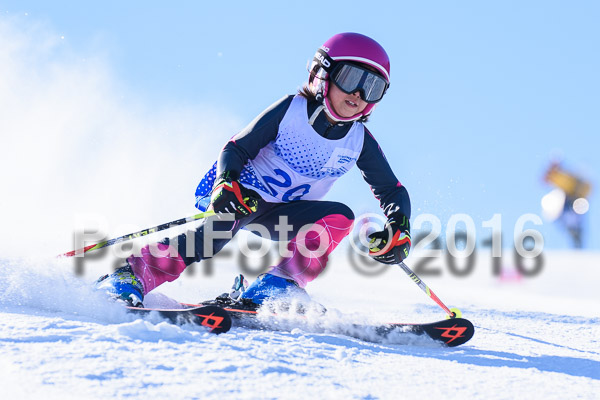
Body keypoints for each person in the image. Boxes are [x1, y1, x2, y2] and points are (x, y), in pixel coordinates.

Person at [96, 32, 412, 308]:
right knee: (213, 238)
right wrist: (226, 183)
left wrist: (399, 226)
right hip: (236, 194)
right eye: (352, 78)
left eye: (372, 87)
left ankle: (277, 285)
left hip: (281, 212)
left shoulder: (358, 140)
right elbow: (236, 148)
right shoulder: (291, 112)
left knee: (340, 217)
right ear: (322, 74)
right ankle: (132, 273)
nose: (358, 94)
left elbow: (391, 190)